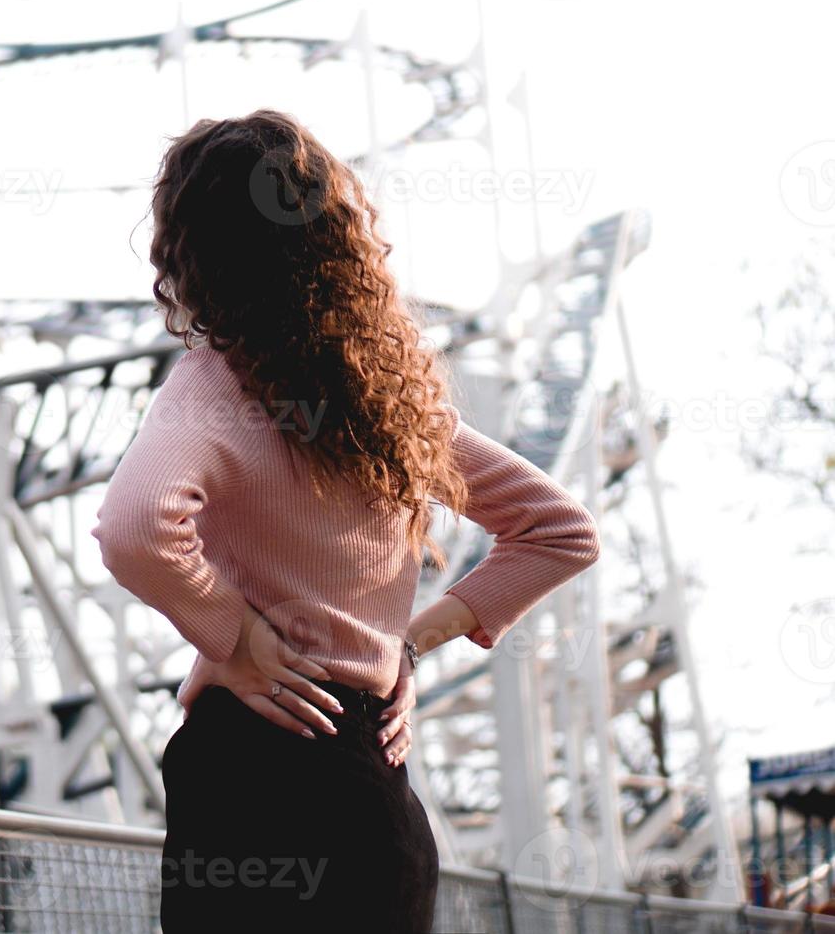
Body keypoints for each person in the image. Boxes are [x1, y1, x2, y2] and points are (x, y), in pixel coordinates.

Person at [91, 109, 601, 931]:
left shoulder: (211, 387)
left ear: (189, 249)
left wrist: (236, 635)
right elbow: (559, 530)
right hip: (374, 795)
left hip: (252, 773)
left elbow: (134, 527)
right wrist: (406, 645)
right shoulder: (393, 409)